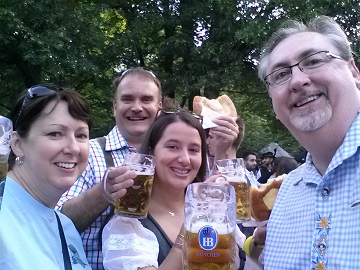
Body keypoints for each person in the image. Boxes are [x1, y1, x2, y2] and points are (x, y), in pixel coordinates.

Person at [254, 15, 360, 269]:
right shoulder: (287, 192)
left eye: (313, 61)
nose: (298, 81)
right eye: (280, 75)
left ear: (354, 72)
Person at [101, 110, 246, 270]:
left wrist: (258, 242)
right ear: (151, 152)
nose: (184, 159)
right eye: (172, 147)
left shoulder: (212, 211)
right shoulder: (127, 224)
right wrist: (191, 227)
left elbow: (241, 259)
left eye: (194, 150)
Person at [57, 67, 163, 269]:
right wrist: (102, 193)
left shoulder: (172, 158)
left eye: (146, 99)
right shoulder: (86, 152)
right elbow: (58, 223)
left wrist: (226, 149)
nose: (137, 107)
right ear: (115, 106)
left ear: (159, 107)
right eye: (128, 99)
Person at [0, 84, 92, 269]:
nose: (73, 148)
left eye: (81, 135)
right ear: (17, 144)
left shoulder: (66, 228)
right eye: (55, 133)